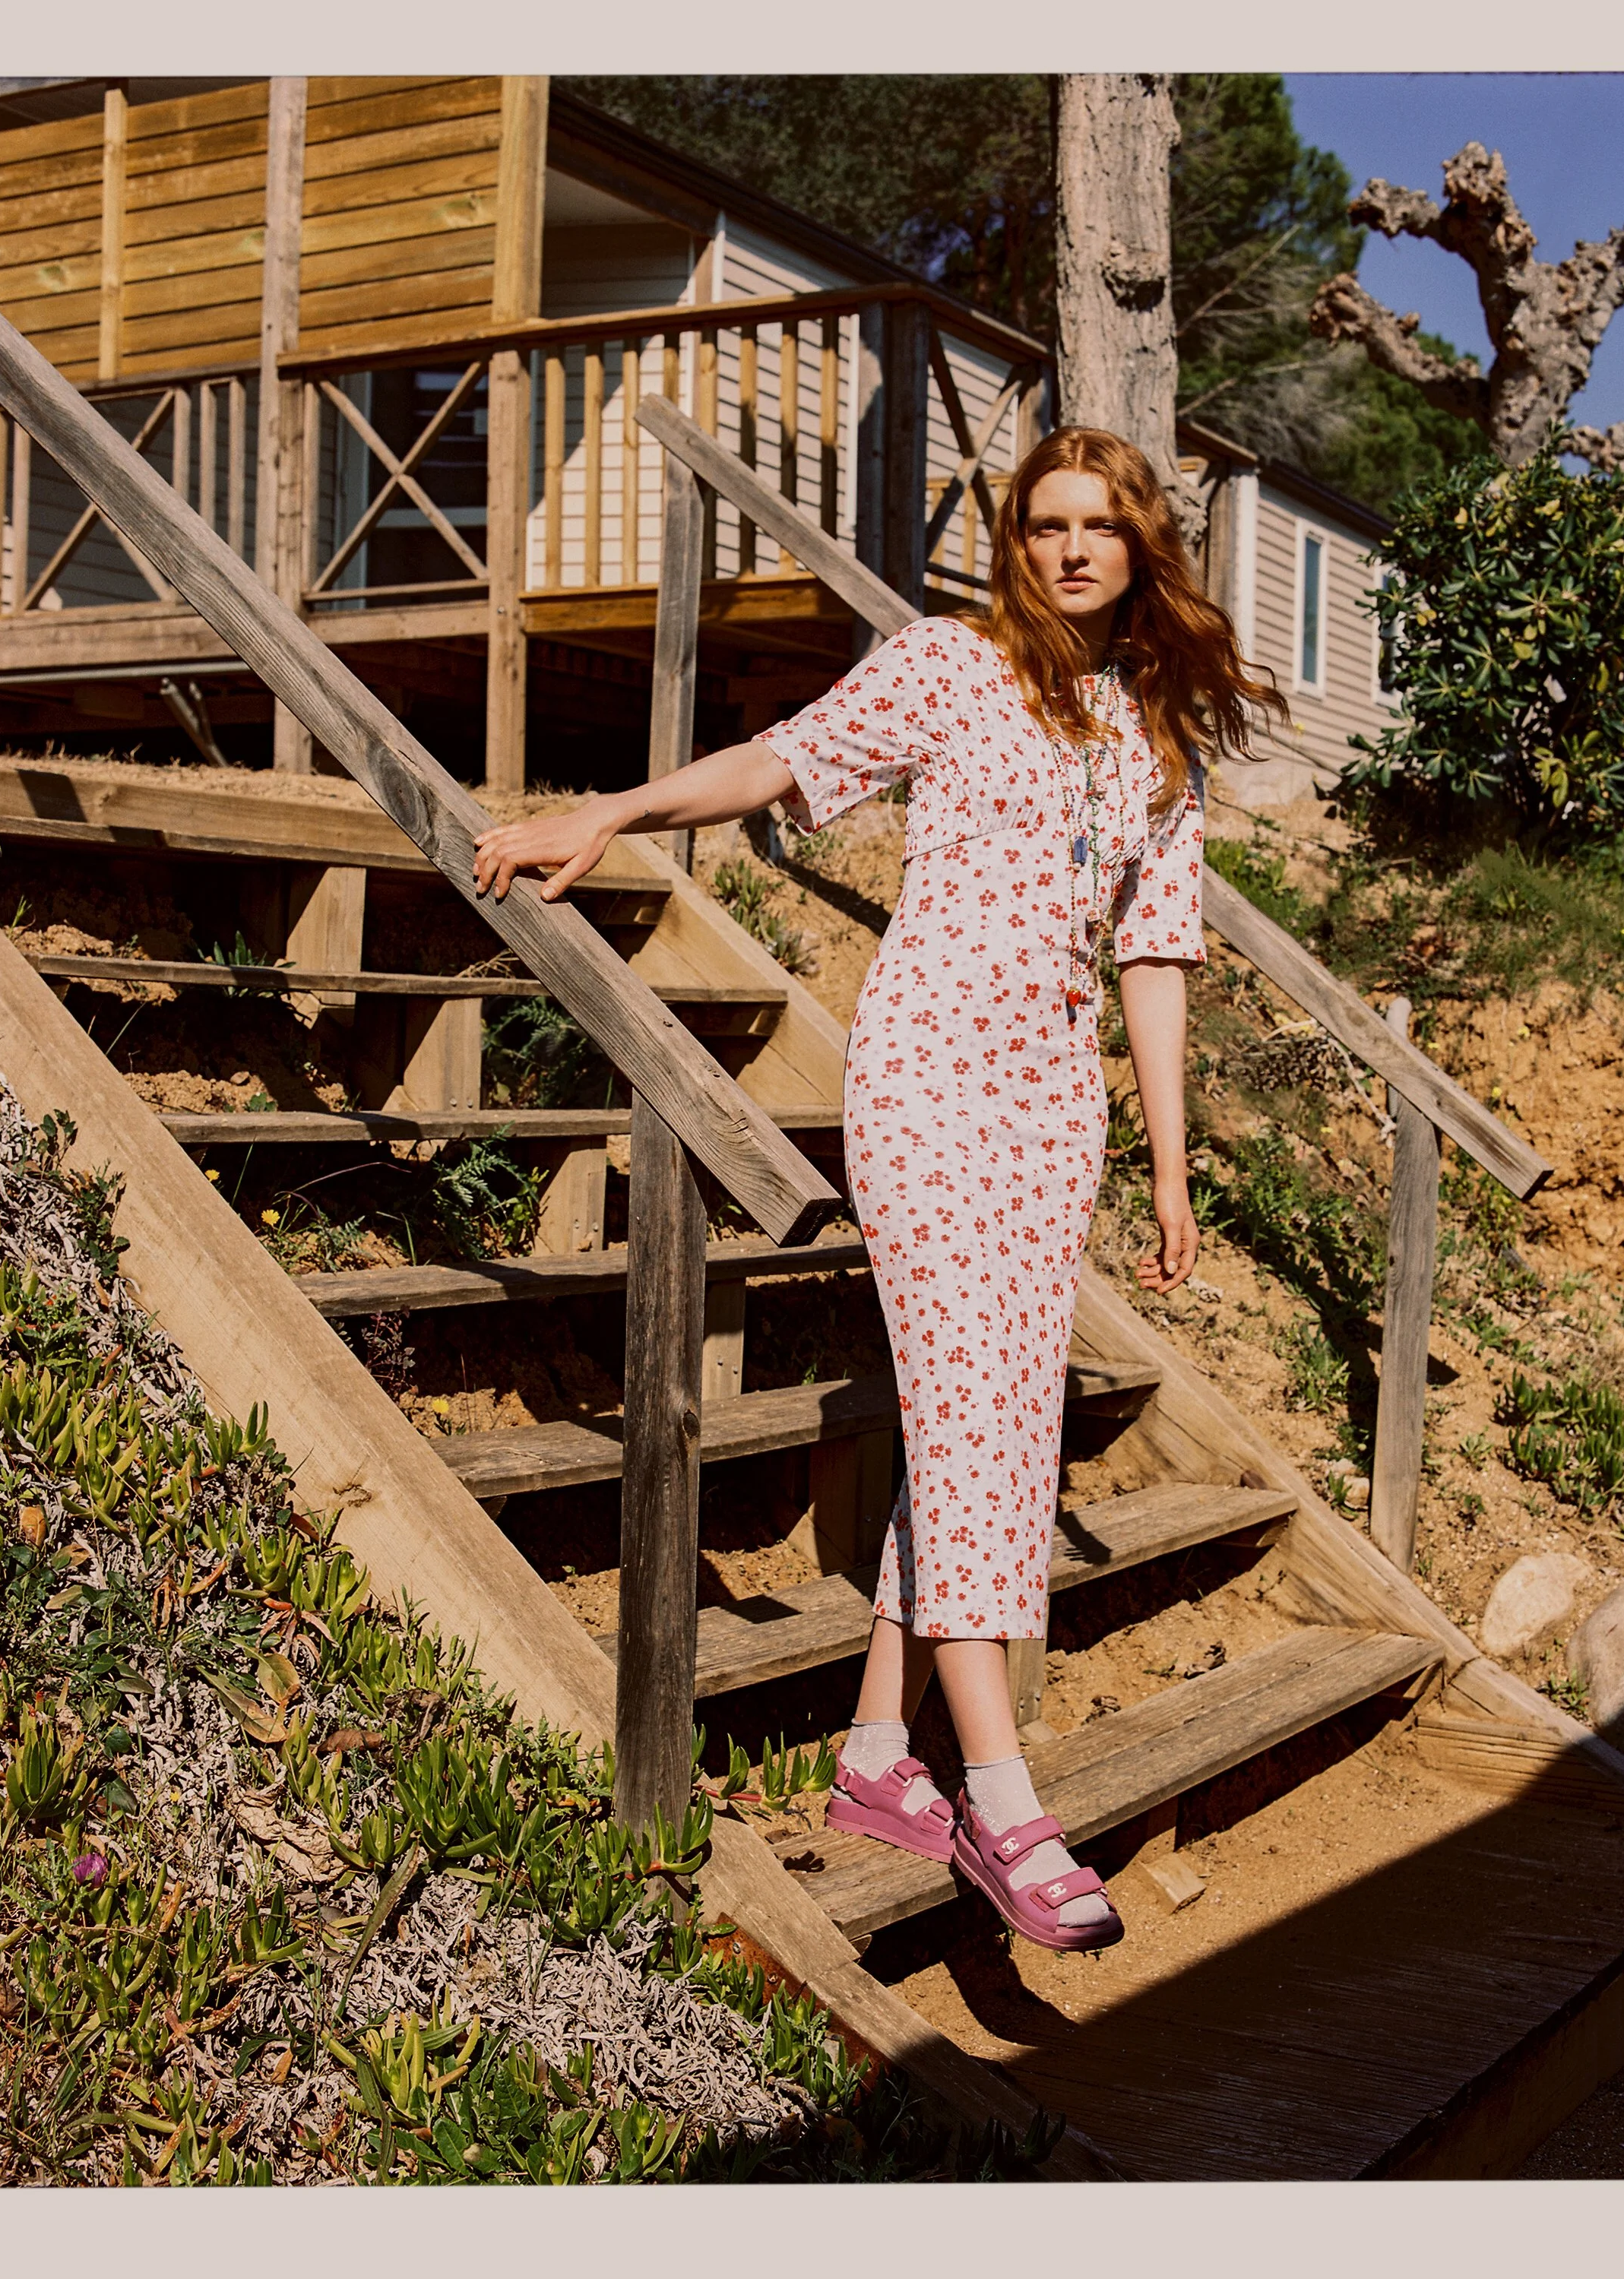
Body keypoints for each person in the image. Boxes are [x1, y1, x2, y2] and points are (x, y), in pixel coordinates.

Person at [473, 426, 1281, 1953]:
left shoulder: (1155, 741)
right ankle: (998, 1792)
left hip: (1054, 1115)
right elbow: (785, 759)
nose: (1070, 548)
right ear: (1016, 541)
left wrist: (1171, 1163)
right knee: (977, 1423)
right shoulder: (946, 667)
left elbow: (1155, 954)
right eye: (1045, 522)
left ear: (1140, 544)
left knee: (990, 1426)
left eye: (1100, 524)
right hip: (921, 1088)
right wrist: (616, 812)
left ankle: (868, 1753)